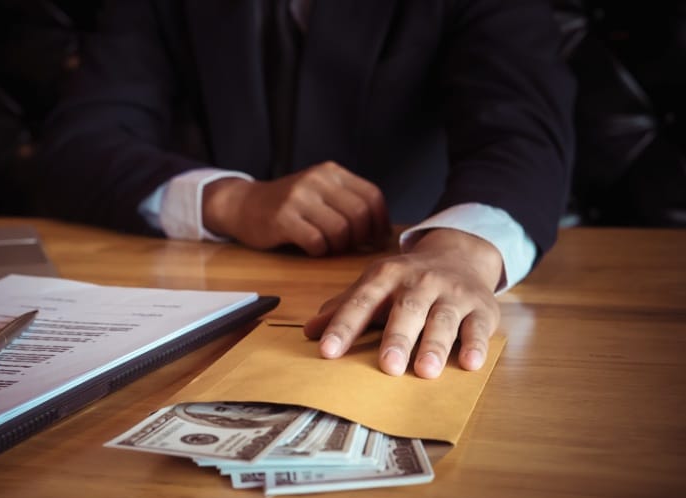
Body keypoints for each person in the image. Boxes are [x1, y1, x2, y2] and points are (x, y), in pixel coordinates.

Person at [36, 0, 575, 379]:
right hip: (225, 297)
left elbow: (523, 131)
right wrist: (232, 201)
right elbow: (81, 142)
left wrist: (460, 251)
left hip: (408, 289)